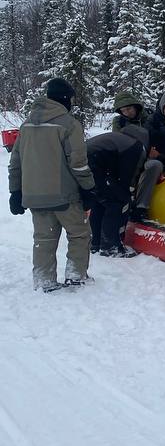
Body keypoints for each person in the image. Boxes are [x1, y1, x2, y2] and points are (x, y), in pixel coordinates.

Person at [7, 77, 96, 291]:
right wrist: (88, 187)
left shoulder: (26, 125)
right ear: (65, 99)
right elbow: (78, 162)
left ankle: (44, 280)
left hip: (35, 197)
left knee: (44, 239)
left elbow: (15, 162)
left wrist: (15, 191)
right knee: (79, 234)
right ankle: (76, 275)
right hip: (65, 196)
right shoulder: (68, 124)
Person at [86, 125, 149, 257]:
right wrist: (127, 197)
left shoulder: (117, 140)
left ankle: (96, 243)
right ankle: (110, 247)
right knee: (115, 202)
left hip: (83, 163)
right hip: (94, 163)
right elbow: (125, 176)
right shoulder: (135, 146)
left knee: (99, 202)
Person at [111, 89, 162, 220]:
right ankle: (138, 206)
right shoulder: (119, 122)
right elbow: (118, 141)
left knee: (153, 165)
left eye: (129, 108)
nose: (127, 112)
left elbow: (161, 135)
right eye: (123, 110)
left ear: (135, 106)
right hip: (131, 157)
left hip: (152, 154)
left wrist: (155, 149)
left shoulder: (150, 117)